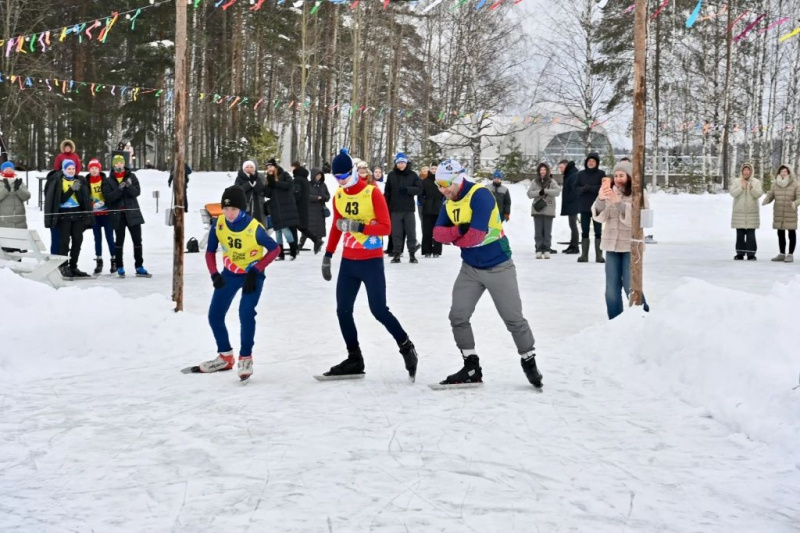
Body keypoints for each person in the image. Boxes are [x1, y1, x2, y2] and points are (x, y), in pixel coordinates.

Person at [432, 159, 542, 389]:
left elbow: (476, 237)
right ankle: (471, 366)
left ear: (458, 179)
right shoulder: (448, 201)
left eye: (445, 184)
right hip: (470, 268)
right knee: (458, 317)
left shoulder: (480, 195)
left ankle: (529, 360)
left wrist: (455, 235)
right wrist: (459, 231)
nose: (443, 190)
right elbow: (437, 235)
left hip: (498, 266)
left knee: (513, 318)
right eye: (438, 184)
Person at [319, 149, 418, 380]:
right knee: (342, 311)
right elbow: (336, 225)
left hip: (370, 261)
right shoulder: (339, 196)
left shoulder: (371, 193)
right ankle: (354, 358)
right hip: (348, 263)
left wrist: (359, 227)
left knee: (378, 310)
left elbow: (386, 228)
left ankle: (406, 346)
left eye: (344, 176)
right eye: (337, 178)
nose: (341, 181)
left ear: (353, 172)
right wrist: (328, 255)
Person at [185, 186, 280, 380]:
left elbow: (275, 249)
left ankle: (246, 357)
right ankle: (225, 356)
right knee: (215, 315)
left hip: (252, 275)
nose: (229, 213)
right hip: (229, 274)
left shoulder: (254, 227)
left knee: (245, 313)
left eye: (234, 209)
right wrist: (214, 274)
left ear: (242, 209)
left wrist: (256, 270)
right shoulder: (219, 223)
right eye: (226, 209)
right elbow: (210, 251)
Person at [592, 161, 650, 320]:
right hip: (611, 246)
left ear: (629, 176)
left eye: (621, 175)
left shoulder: (639, 193)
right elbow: (599, 217)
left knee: (630, 286)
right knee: (611, 289)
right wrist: (600, 199)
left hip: (631, 246)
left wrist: (620, 204)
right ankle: (615, 321)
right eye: (616, 175)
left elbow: (638, 221)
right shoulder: (611, 192)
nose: (618, 178)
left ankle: (644, 317)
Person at [103, 155, 150, 277]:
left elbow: (137, 192)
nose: (119, 165)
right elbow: (109, 198)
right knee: (119, 241)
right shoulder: (108, 181)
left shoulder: (132, 176)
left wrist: (128, 186)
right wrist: (119, 189)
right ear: (113, 165)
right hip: (118, 215)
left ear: (124, 164)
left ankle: (139, 266)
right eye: (116, 163)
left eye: (121, 163)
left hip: (132, 213)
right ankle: (120, 266)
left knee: (137, 241)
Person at [44, 160, 92, 279]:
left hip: (77, 214)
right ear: (64, 170)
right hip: (64, 215)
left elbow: (82, 200)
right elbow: (60, 200)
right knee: (64, 242)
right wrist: (72, 189)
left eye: (73, 168)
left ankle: (73, 266)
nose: (71, 171)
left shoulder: (79, 180)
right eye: (69, 168)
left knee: (77, 240)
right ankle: (64, 266)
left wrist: (81, 192)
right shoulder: (59, 181)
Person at [384, 153, 422, 263]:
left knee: (411, 233)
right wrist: (386, 204)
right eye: (399, 162)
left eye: (403, 162)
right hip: (395, 209)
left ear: (406, 163)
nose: (401, 165)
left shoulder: (413, 175)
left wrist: (407, 189)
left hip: (408, 209)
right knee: (396, 233)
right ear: (396, 163)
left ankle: (412, 254)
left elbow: (419, 189)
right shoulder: (391, 175)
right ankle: (397, 254)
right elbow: (387, 191)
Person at [85, 158, 116, 275]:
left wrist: (106, 203)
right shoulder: (86, 181)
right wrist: (91, 204)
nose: (94, 170)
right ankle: (99, 260)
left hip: (106, 213)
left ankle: (114, 260)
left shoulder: (106, 180)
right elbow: (85, 197)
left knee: (110, 238)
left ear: (99, 169)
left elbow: (111, 195)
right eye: (92, 168)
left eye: (96, 168)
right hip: (95, 215)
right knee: (97, 239)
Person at [762, 165, 798, 262]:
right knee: (780, 233)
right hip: (778, 211)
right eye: (781, 171)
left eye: (785, 171)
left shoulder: (795, 184)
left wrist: (795, 203)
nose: (783, 173)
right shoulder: (776, 184)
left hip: (790, 211)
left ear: (789, 172)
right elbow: (771, 195)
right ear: (779, 172)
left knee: (791, 232)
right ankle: (782, 254)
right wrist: (766, 200)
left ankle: (790, 254)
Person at [265, 158, 299, 260]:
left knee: (285, 229)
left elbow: (289, 185)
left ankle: (293, 251)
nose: (269, 169)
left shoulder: (284, 175)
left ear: (275, 166)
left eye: (271, 166)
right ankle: (280, 254)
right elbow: (267, 194)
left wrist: (275, 183)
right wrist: (269, 184)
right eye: (267, 167)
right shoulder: (269, 178)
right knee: (278, 231)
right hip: (275, 207)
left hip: (286, 206)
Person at [575, 152, 605, 263]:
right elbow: (576, 188)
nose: (591, 163)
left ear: (597, 163)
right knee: (584, 230)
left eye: (593, 161)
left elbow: (603, 188)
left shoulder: (601, 174)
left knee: (598, 231)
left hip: (597, 206)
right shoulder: (580, 174)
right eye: (589, 161)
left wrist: (591, 188)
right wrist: (583, 189)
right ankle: (584, 255)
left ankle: (599, 256)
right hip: (584, 206)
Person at [528, 163, 562, 259]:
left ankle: (547, 249)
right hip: (537, 210)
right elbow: (529, 194)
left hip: (549, 209)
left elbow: (557, 192)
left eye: (544, 170)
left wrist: (546, 191)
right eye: (541, 170)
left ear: (547, 171)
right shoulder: (535, 182)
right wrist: (539, 192)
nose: (542, 171)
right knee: (538, 232)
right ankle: (538, 249)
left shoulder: (552, 181)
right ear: (539, 171)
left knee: (547, 232)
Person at [730, 162, 763, 260]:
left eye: (748, 170)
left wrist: (752, 188)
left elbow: (758, 194)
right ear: (742, 171)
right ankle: (739, 254)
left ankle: (751, 254)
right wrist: (742, 187)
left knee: (751, 235)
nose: (746, 172)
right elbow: (733, 193)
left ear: (751, 171)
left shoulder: (756, 182)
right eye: (745, 169)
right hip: (739, 212)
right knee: (739, 234)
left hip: (752, 212)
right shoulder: (736, 181)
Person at [0, 162, 31, 254]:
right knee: (7, 247)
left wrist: (18, 189)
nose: (9, 170)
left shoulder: (18, 181)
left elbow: (26, 197)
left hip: (19, 220)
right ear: (2, 170)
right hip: (4, 220)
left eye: (11, 168)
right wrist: (6, 189)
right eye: (6, 168)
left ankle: (18, 265)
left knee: (18, 248)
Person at [291, 161, 320, 251]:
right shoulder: (305, 179)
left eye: (292, 167)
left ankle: (295, 247)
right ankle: (316, 240)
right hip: (304, 206)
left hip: (297, 207)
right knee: (301, 227)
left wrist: (292, 202)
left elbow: (297, 193)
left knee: (294, 226)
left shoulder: (297, 180)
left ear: (295, 168)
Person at [420, 164, 444, 258]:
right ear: (429, 170)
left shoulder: (442, 181)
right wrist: (424, 202)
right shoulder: (425, 181)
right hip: (427, 209)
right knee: (427, 231)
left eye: (436, 169)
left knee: (438, 230)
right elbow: (420, 195)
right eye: (432, 169)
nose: (434, 170)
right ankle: (427, 250)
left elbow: (446, 194)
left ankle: (437, 250)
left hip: (438, 208)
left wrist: (443, 203)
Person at [234, 160, 266, 227]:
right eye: (247, 167)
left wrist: (255, 185)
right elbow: (237, 190)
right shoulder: (239, 178)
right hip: (244, 206)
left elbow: (261, 191)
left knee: (256, 226)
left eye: (251, 167)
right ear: (244, 168)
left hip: (256, 208)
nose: (249, 169)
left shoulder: (257, 177)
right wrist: (248, 184)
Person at [558, 159, 580, 254]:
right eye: (559, 168)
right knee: (572, 225)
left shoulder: (573, 175)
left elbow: (575, 190)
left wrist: (570, 199)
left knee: (573, 225)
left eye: (562, 167)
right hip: (571, 203)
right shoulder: (570, 174)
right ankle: (572, 245)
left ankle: (575, 246)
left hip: (573, 204)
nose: (560, 169)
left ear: (566, 166)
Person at [308, 168, 330, 254]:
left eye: (320, 175)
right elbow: (306, 196)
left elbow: (328, 195)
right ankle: (300, 245)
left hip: (320, 209)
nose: (319, 177)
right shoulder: (309, 185)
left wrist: (324, 197)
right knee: (309, 228)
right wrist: (316, 198)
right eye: (317, 175)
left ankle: (318, 245)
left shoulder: (323, 185)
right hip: (311, 209)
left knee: (320, 228)